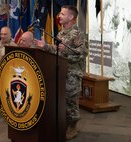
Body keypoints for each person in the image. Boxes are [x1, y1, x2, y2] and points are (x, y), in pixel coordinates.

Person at [34, 5, 88, 140]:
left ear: (71, 17)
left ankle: (72, 126)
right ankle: (63, 123)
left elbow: (83, 53)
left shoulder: (78, 34)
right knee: (61, 99)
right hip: (60, 70)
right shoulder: (61, 33)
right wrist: (45, 46)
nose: (59, 16)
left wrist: (66, 50)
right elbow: (58, 51)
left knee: (70, 100)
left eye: (62, 14)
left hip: (73, 73)